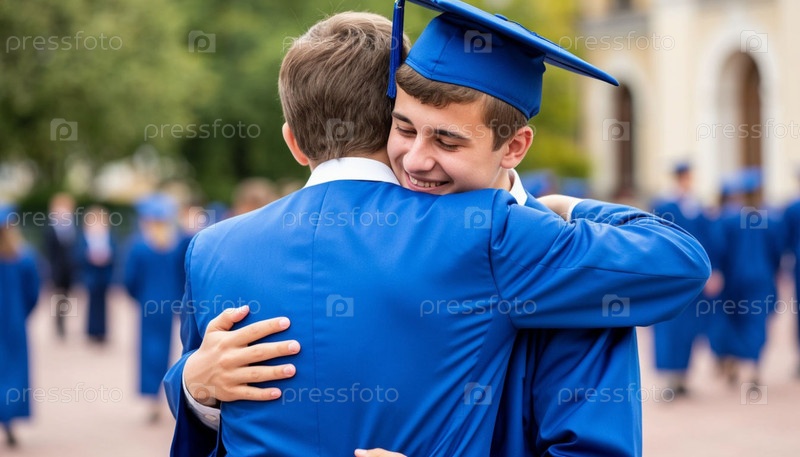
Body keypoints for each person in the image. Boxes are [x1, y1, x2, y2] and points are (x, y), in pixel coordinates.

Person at [165, 7, 709, 457]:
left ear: (514, 146)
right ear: (385, 122)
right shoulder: (490, 234)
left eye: (447, 141)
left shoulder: (212, 248)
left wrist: (190, 387)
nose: (417, 159)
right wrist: (194, 383)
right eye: (404, 129)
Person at [651, 163, 723, 395]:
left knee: (689, 328)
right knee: (669, 328)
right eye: (686, 178)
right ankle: (670, 377)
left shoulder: (697, 208)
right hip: (670, 276)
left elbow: (709, 241)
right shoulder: (664, 206)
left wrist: (713, 270)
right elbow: (656, 241)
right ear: (678, 179)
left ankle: (682, 376)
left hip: (692, 277)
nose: (688, 182)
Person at [124, 193, 189, 423]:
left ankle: (152, 397)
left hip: (147, 303)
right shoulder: (176, 243)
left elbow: (129, 279)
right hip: (171, 302)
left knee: (148, 350)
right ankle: (172, 393)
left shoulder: (139, 246)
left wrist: (139, 297)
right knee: (172, 348)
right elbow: (183, 274)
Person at [0, 203, 41, 448]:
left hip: (13, 321)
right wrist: (20, 313)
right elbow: (33, 293)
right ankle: (9, 419)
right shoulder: (24, 257)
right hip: (14, 323)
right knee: (12, 373)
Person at [76, 205, 117, 344]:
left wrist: (107, 257)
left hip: (104, 275)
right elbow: (78, 253)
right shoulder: (84, 235)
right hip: (91, 275)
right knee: (92, 305)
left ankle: (102, 332)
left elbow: (115, 251)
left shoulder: (109, 235)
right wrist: (89, 257)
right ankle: (92, 331)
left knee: (104, 305)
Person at [43, 192, 77, 339]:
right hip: (56, 270)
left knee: (67, 298)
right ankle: (58, 325)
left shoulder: (72, 228)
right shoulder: (50, 228)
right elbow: (48, 251)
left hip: (69, 270)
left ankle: (63, 323)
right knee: (57, 297)